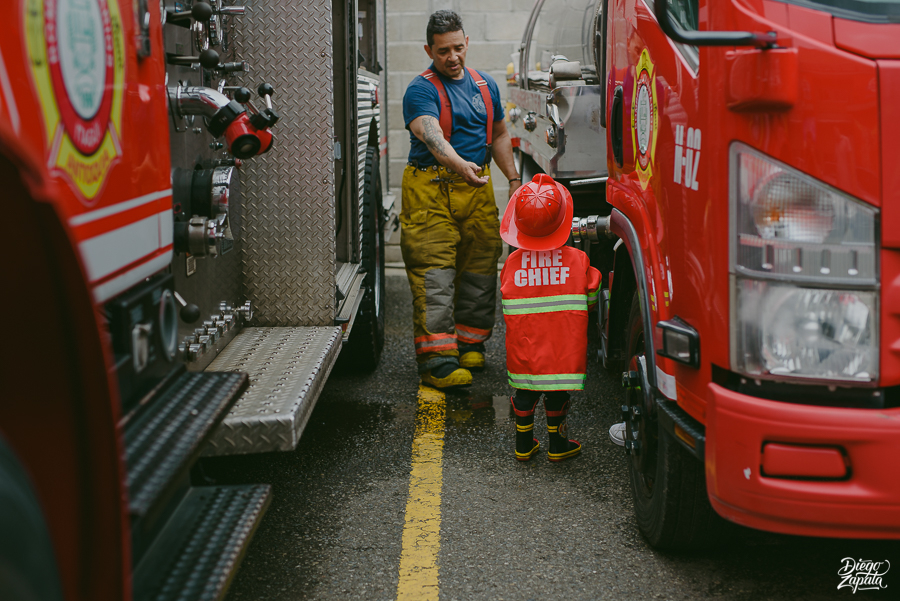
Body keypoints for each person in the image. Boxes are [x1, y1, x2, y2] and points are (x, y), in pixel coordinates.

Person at [401, 10, 521, 389]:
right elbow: (432, 136)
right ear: (428, 50)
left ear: (466, 42)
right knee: (434, 273)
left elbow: (500, 135)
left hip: (477, 189)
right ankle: (438, 359)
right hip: (430, 190)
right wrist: (460, 165)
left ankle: (471, 344)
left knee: (481, 265)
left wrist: (514, 179)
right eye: (442, 52)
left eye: (457, 48)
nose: (452, 57)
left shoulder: (485, 85)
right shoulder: (420, 90)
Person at [499, 174, 601, 462]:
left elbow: (506, 299)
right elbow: (591, 295)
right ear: (562, 220)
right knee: (556, 394)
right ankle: (558, 445)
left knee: (525, 393)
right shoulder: (577, 260)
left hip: (524, 349)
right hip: (561, 350)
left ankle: (523, 445)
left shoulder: (512, 262)